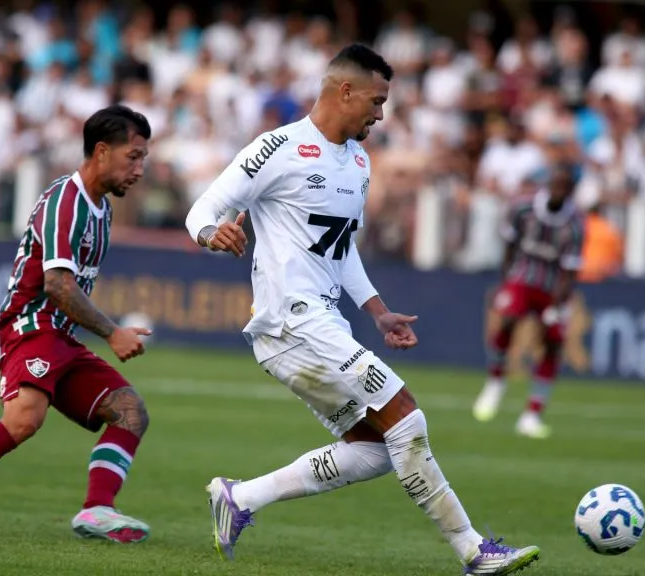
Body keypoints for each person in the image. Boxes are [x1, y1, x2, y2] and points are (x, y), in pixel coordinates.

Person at [184, 43, 540, 575]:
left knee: (374, 450)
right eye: (376, 100)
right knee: (406, 417)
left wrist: (377, 310)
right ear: (343, 91)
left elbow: (342, 249)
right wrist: (214, 233)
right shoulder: (277, 148)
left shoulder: (357, 160)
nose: (381, 113)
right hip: (290, 321)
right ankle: (472, 549)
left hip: (319, 323)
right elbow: (202, 209)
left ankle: (241, 498)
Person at [0, 105, 155, 542]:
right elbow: (57, 284)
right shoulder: (67, 200)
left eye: (143, 158)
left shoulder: (100, 208)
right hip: (35, 325)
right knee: (24, 419)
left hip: (51, 334)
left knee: (130, 411)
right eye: (132, 156)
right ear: (101, 151)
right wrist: (110, 332)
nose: (140, 168)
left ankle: (98, 510)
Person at [473, 163, 585, 439]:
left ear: (571, 191)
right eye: (555, 184)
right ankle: (496, 381)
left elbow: (570, 270)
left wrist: (558, 306)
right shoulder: (523, 208)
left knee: (554, 341)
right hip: (521, 277)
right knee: (507, 320)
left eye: (564, 187)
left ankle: (532, 413)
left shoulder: (575, 225)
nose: (558, 190)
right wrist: (504, 282)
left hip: (551, 287)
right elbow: (510, 246)